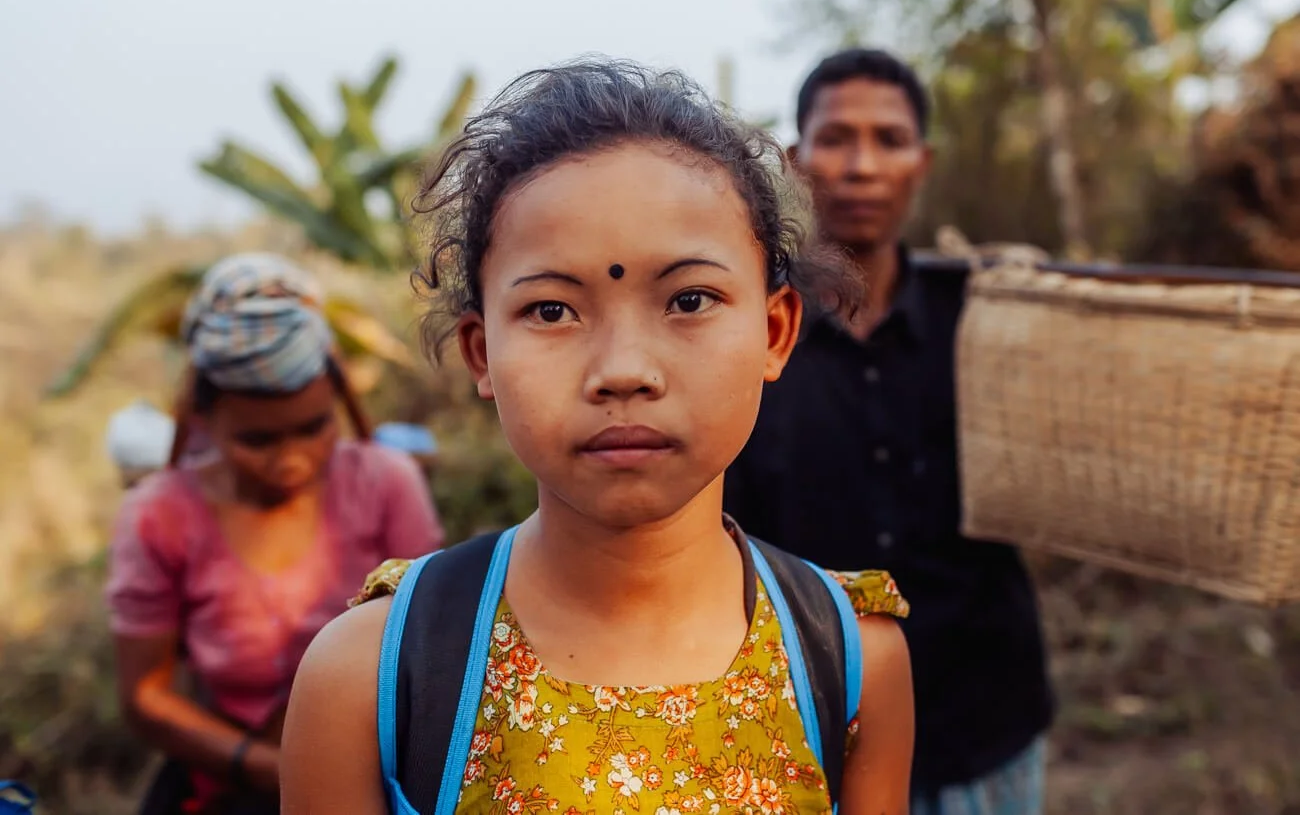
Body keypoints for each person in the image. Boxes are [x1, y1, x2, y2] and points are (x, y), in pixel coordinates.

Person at [280, 59, 915, 815]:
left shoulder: (849, 663)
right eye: (552, 310)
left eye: (688, 299)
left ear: (775, 331)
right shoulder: (371, 675)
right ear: (482, 352)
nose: (624, 371)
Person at [724, 48, 1055, 815]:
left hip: (983, 717)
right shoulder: (742, 331)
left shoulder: (991, 319)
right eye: (837, 139)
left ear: (922, 160)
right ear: (798, 159)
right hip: (808, 727)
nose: (862, 165)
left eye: (889, 139)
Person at [105, 252, 444, 815]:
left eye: (314, 428)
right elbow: (146, 697)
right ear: (201, 421)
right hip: (229, 791)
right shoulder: (157, 516)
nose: (292, 461)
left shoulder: (387, 484)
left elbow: (426, 646)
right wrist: (268, 767)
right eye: (257, 441)